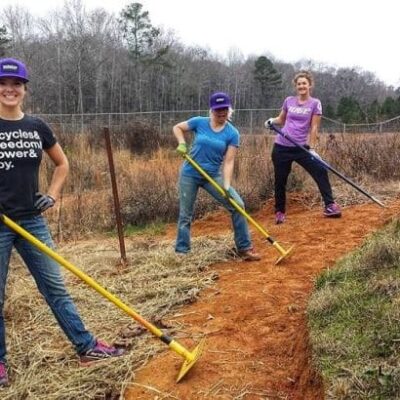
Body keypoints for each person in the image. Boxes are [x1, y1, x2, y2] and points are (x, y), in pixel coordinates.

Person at [0, 58, 124, 387]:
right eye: (3, 84)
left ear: (24, 89)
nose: (9, 89)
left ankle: (86, 347)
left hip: (31, 220)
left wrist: (52, 195)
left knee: (54, 287)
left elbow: (62, 164)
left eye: (16, 84)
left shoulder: (36, 126)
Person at [173, 92, 260, 261]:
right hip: (190, 173)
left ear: (229, 110)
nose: (221, 113)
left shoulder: (232, 133)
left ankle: (244, 248)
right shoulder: (199, 122)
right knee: (185, 214)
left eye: (224, 109)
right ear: (212, 110)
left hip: (212, 175)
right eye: (218, 109)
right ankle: (182, 252)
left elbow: (229, 161)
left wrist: (226, 185)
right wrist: (182, 143)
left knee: (238, 205)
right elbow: (177, 127)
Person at [265, 71, 341, 224]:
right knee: (280, 180)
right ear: (296, 86)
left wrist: (311, 149)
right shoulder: (289, 101)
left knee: (320, 170)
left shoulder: (315, 103)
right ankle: (279, 212)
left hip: (301, 147)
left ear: (309, 85)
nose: (301, 86)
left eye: (304, 83)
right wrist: (271, 121)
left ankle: (330, 205)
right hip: (281, 147)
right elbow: (281, 119)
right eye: (299, 84)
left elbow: (314, 127)